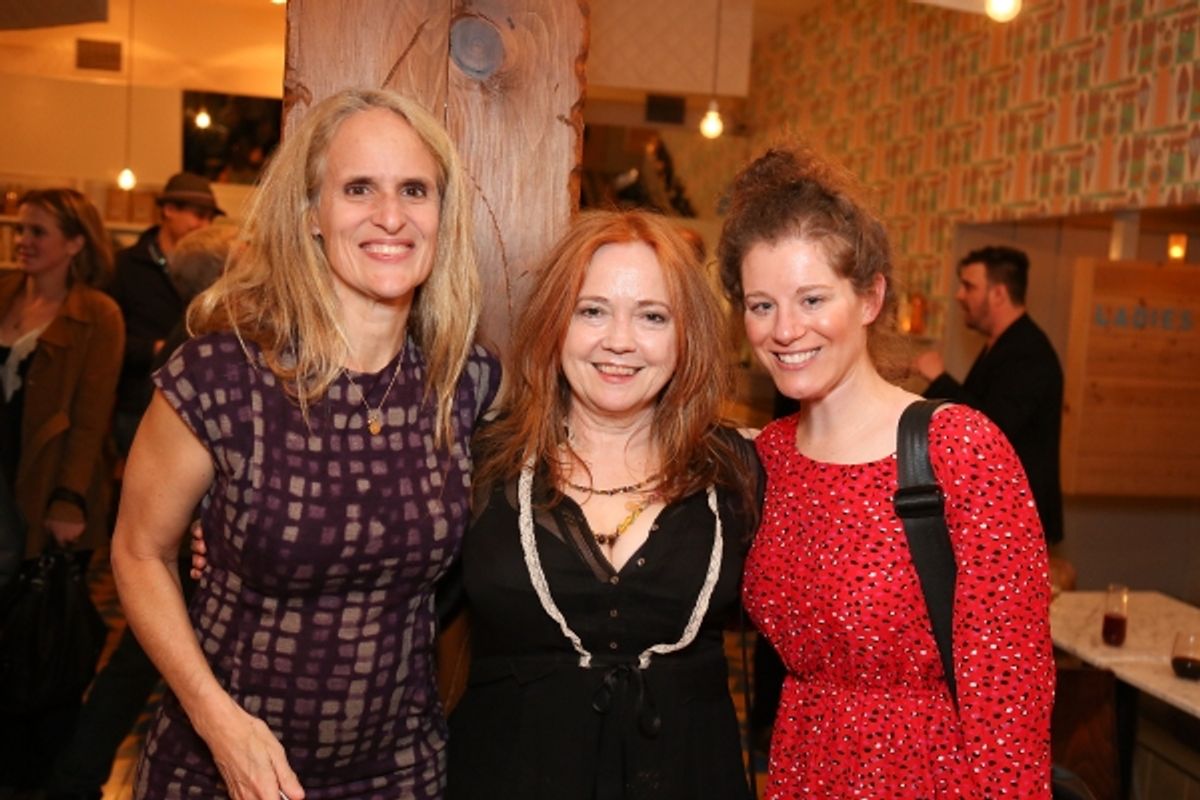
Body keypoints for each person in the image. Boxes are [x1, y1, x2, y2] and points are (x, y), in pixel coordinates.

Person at [110, 87, 499, 800]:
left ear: (442, 215)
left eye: (415, 189)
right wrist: (216, 720)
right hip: (223, 766)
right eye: (358, 188)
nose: (391, 216)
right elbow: (137, 552)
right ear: (311, 216)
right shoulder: (221, 379)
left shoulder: (464, 381)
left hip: (397, 771)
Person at [717, 146, 1054, 798]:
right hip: (802, 767)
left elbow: (1010, 690)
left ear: (870, 296)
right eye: (761, 306)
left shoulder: (961, 450)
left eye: (812, 298)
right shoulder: (771, 459)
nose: (785, 330)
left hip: (929, 773)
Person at [444, 209, 760, 800]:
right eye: (592, 310)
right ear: (555, 323)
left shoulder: (738, 471)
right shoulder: (480, 462)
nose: (620, 341)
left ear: (687, 333)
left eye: (652, 317)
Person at [44, 224, 237, 800]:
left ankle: (75, 776)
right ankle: (76, 777)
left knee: (138, 666)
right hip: (187, 538)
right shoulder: (208, 346)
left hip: (187, 537)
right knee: (146, 663)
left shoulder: (197, 332)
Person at [0, 188, 125, 793]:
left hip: (47, 494)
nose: (23, 241)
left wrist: (69, 500)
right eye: (21, 230)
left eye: (38, 232)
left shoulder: (96, 314)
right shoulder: (3, 295)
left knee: (39, 643)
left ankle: (44, 779)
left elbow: (91, 416)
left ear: (75, 243)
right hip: (2, 477)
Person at [913, 245, 1065, 544]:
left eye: (969, 286)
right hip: (996, 512)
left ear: (998, 294)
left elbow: (994, 428)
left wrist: (940, 379)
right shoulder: (1001, 345)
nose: (959, 295)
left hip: (1018, 518)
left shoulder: (1028, 352)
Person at [106, 171, 223, 455]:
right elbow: (106, 341)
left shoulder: (213, 265)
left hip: (196, 403)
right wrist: (154, 348)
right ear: (169, 210)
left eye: (209, 217)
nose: (203, 225)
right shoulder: (125, 266)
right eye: (197, 215)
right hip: (137, 403)